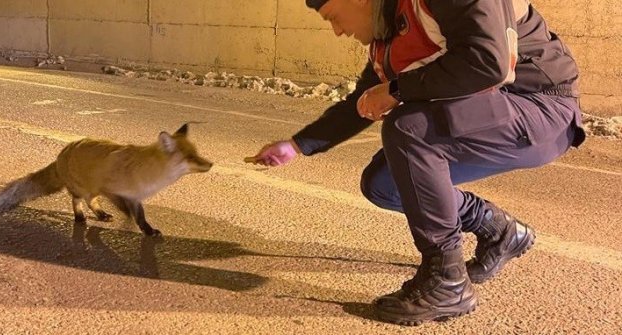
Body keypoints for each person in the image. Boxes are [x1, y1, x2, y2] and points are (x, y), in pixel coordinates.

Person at [247, 0, 586, 326]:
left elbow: (488, 61)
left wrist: (397, 90)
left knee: (411, 128)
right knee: (385, 184)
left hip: (542, 109)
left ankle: (447, 281)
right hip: (501, 114)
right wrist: (296, 146)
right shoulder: (393, 32)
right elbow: (364, 102)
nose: (337, 30)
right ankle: (497, 230)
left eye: (334, 16)